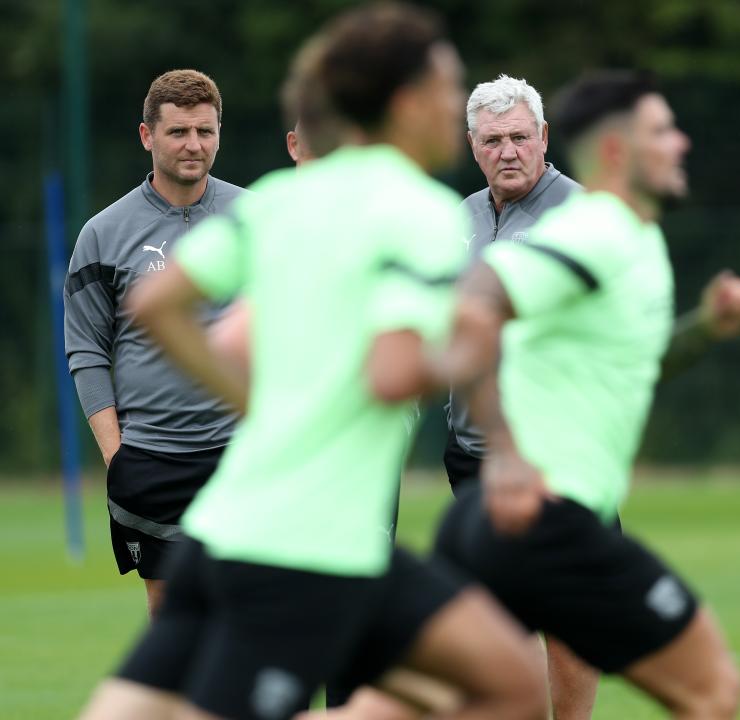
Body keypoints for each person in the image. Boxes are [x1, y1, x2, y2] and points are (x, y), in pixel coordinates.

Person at [75, 5, 546, 720]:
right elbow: (393, 374)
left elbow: (158, 303)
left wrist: (257, 405)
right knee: (511, 685)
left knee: (132, 710)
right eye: (447, 89)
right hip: (310, 543)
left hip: (227, 521)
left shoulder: (279, 201)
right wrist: (469, 344)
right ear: (405, 102)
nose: (455, 106)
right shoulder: (416, 211)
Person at [445, 74, 740, 720]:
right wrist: (508, 452)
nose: (681, 143)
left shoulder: (628, 235)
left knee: (495, 696)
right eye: (661, 131)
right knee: (712, 691)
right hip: (540, 503)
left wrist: (706, 327)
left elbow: (637, 364)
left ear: (543, 138)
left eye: (519, 137)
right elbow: (475, 310)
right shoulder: (595, 230)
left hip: (531, 502)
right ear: (618, 150)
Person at [63, 69, 245, 618]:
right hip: (152, 459)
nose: (194, 144)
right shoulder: (104, 232)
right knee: (172, 621)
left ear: (219, 134)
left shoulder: (256, 218)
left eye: (205, 131)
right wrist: (116, 454)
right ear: (147, 136)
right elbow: (87, 349)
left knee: (247, 612)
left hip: (243, 452)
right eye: (178, 132)